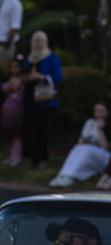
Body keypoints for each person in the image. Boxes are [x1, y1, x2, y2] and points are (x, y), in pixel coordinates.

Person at [21, 30, 62, 169]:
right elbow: (23, 73)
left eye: (41, 40)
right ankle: (30, 158)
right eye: (36, 40)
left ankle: (42, 159)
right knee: (29, 128)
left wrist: (41, 77)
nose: (38, 43)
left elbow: (58, 77)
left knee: (41, 129)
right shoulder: (30, 58)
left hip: (43, 99)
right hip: (29, 98)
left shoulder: (51, 57)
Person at [49, 102, 111, 188]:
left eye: (101, 111)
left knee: (87, 150)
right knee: (77, 148)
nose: (98, 113)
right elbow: (82, 138)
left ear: (107, 112)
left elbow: (106, 147)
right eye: (96, 110)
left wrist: (100, 129)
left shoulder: (109, 125)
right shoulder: (90, 122)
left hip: (104, 155)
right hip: (87, 148)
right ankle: (62, 175)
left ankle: (71, 176)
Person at [1, 55, 23, 166]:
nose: (14, 69)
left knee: (17, 133)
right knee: (10, 133)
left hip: (17, 109)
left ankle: (17, 157)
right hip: (8, 109)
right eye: (12, 67)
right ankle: (12, 155)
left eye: (17, 67)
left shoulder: (22, 80)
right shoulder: (9, 79)